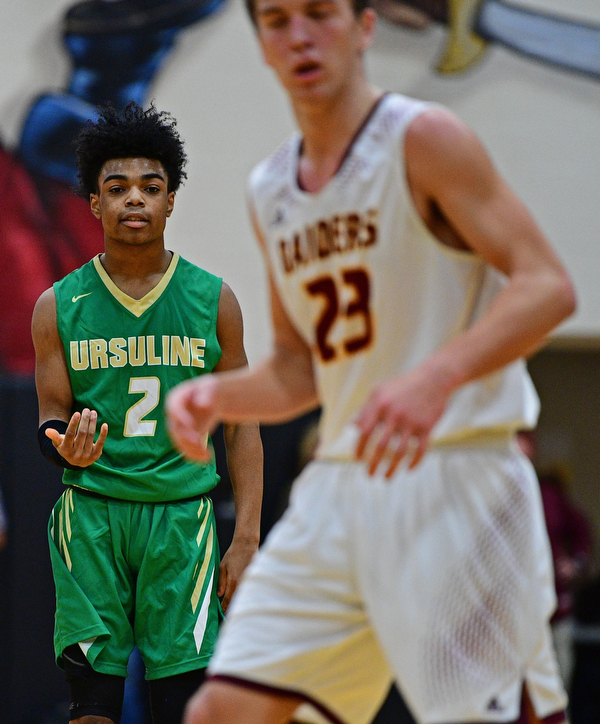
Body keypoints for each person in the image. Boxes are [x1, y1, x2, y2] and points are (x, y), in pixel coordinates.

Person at [166, 0, 577, 721]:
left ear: (365, 27)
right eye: (277, 20)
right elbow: (300, 370)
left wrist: (434, 378)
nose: (299, 36)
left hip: (457, 476)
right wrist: (214, 396)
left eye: (320, 13)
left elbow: (548, 285)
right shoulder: (270, 190)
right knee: (222, 711)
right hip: (341, 487)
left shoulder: (424, 137)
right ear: (260, 43)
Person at [31, 102, 263, 724]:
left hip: (182, 518)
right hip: (94, 515)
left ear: (169, 200)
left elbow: (241, 424)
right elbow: (51, 418)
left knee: (185, 706)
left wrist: (245, 538)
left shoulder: (214, 299)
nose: (135, 199)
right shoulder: (58, 304)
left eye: (150, 187)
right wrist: (63, 444)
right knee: (93, 702)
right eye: (118, 188)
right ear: (95, 205)